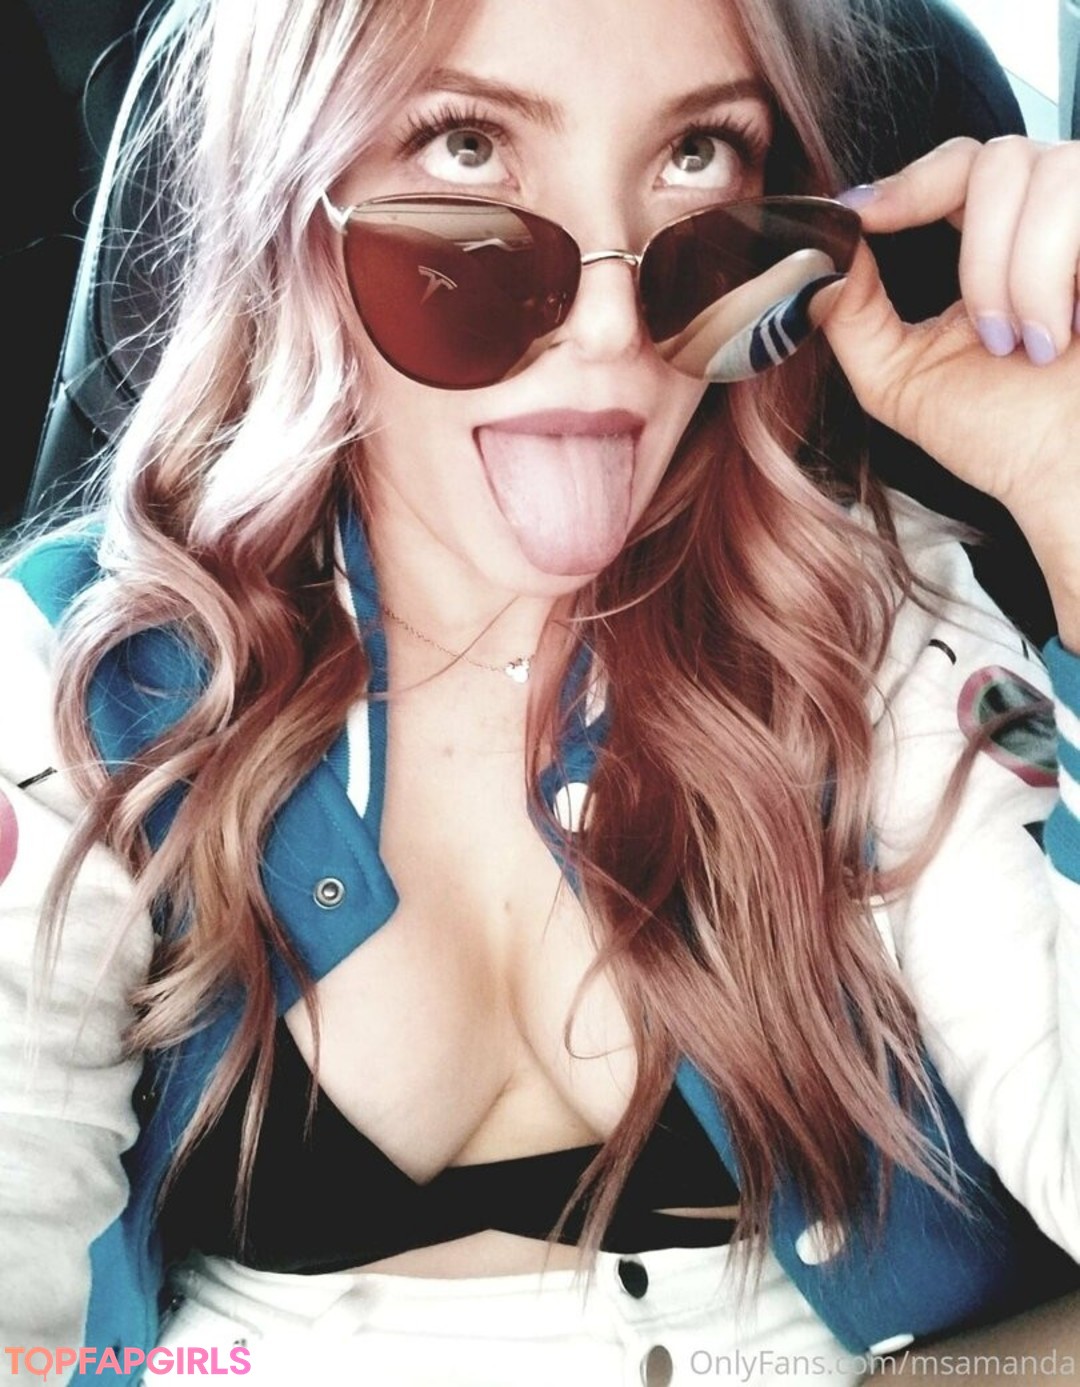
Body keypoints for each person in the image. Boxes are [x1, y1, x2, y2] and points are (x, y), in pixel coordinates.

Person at [1, 0, 1079, 1383]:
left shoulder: (871, 622)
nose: (616, 327)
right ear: (290, 208)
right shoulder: (77, 683)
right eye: (468, 146)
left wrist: (1069, 500)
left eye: (697, 155)